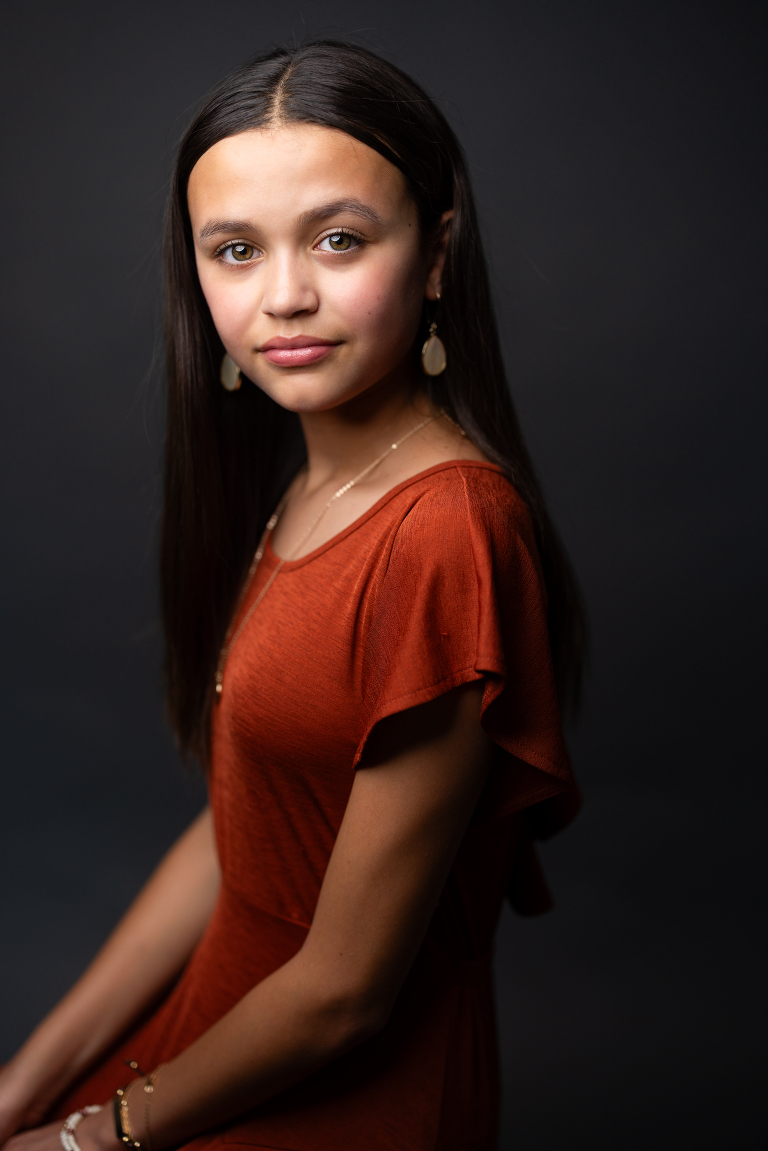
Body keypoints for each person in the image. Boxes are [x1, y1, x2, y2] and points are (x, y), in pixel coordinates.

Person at [0, 41, 583, 1151]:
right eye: (234, 249)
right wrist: (29, 1081)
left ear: (437, 256)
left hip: (344, 1088)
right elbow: (242, 829)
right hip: (213, 1030)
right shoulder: (310, 483)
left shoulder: (447, 530)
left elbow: (344, 990)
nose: (285, 295)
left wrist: (87, 1138)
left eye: (339, 237)